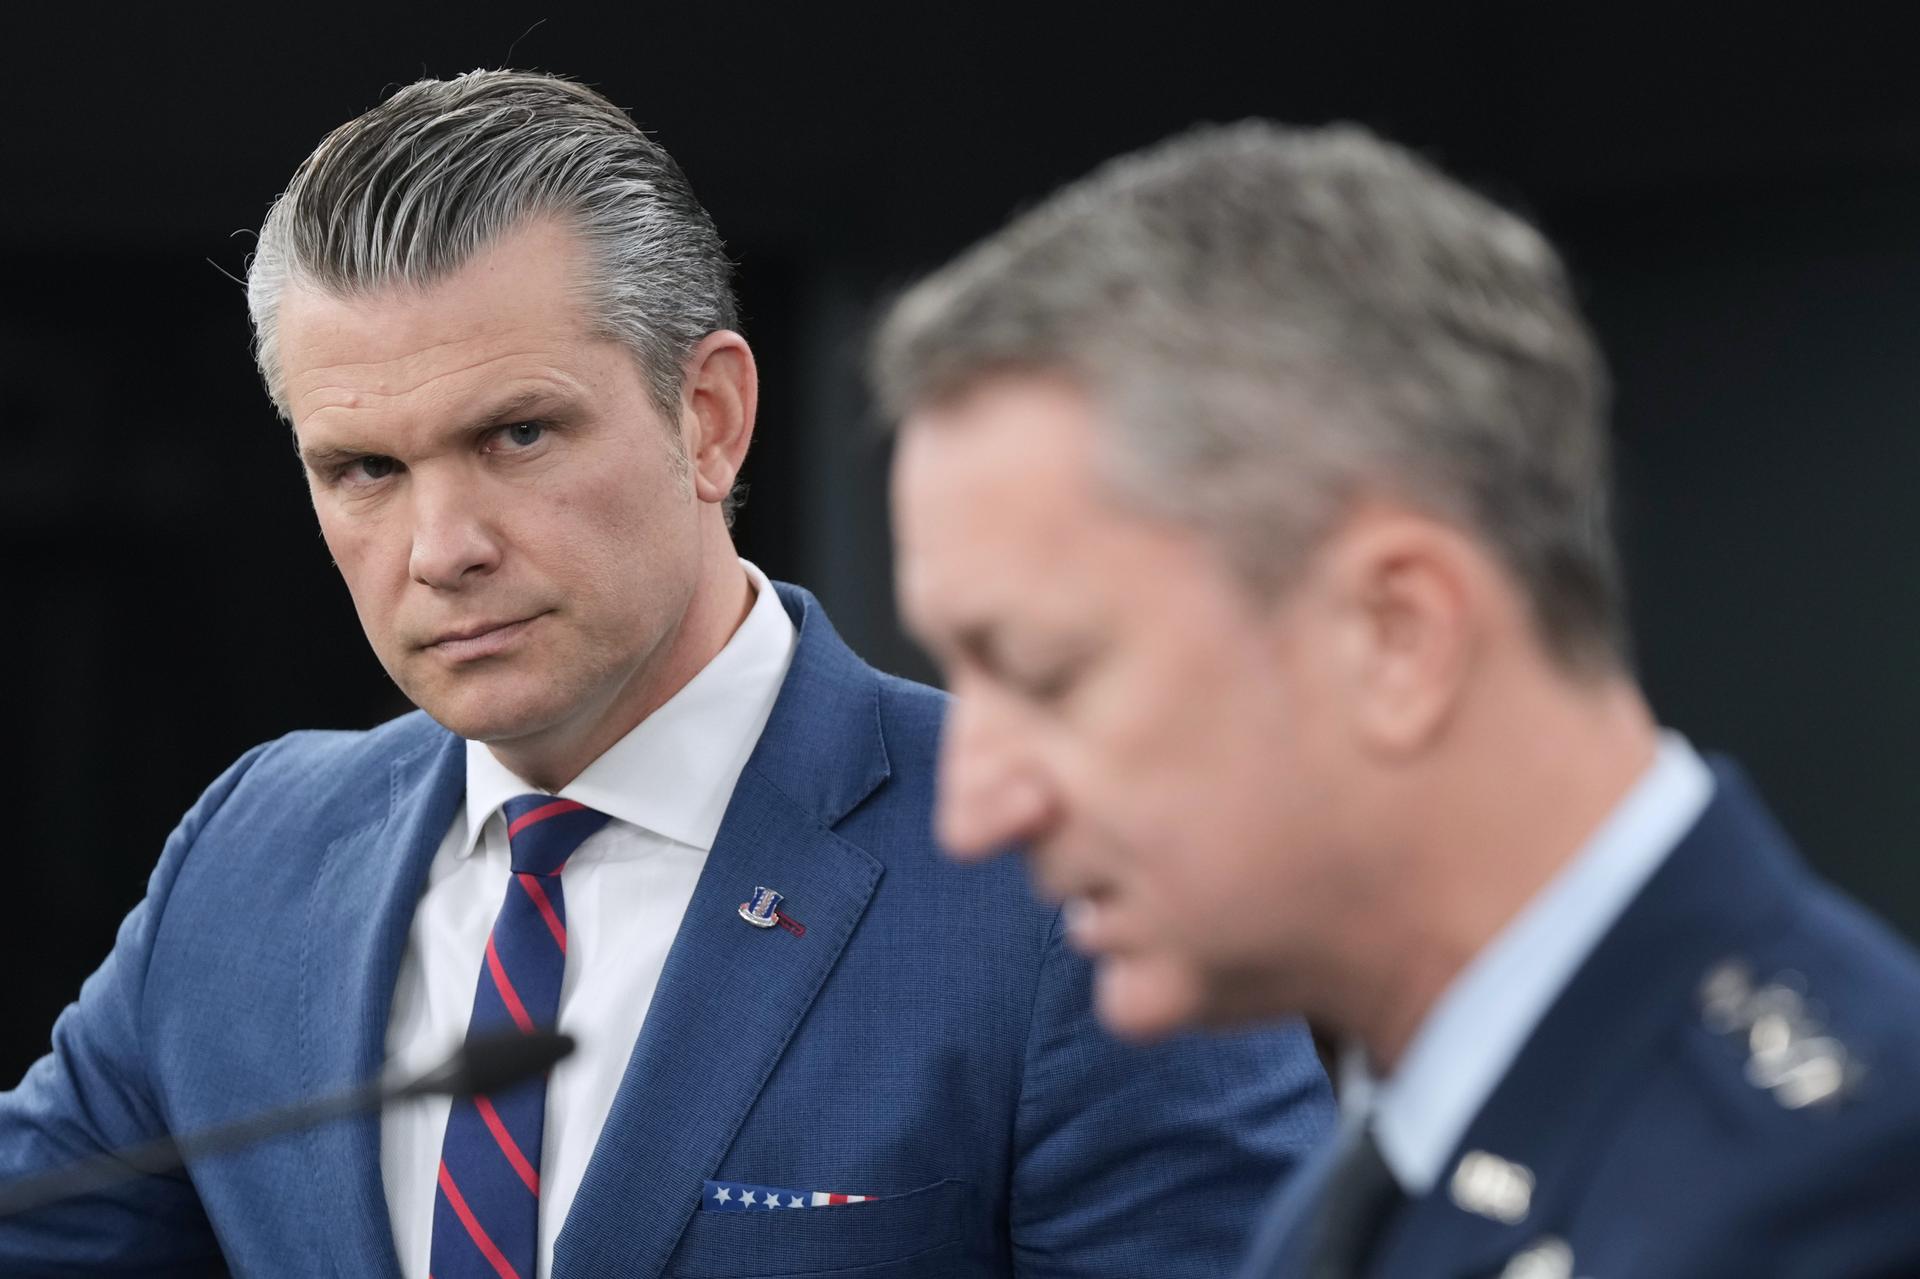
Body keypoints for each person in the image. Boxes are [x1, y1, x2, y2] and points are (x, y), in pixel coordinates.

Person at [0, 73, 1335, 1278]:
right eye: (366, 470)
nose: (441, 549)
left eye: (517, 433)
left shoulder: (1078, 875)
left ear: (709, 417)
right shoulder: (253, 852)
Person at [876, 121, 1920, 1278]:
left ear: (1396, 636)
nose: (974, 808)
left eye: (1046, 675)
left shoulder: (1847, 1209)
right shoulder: (1367, 1187)